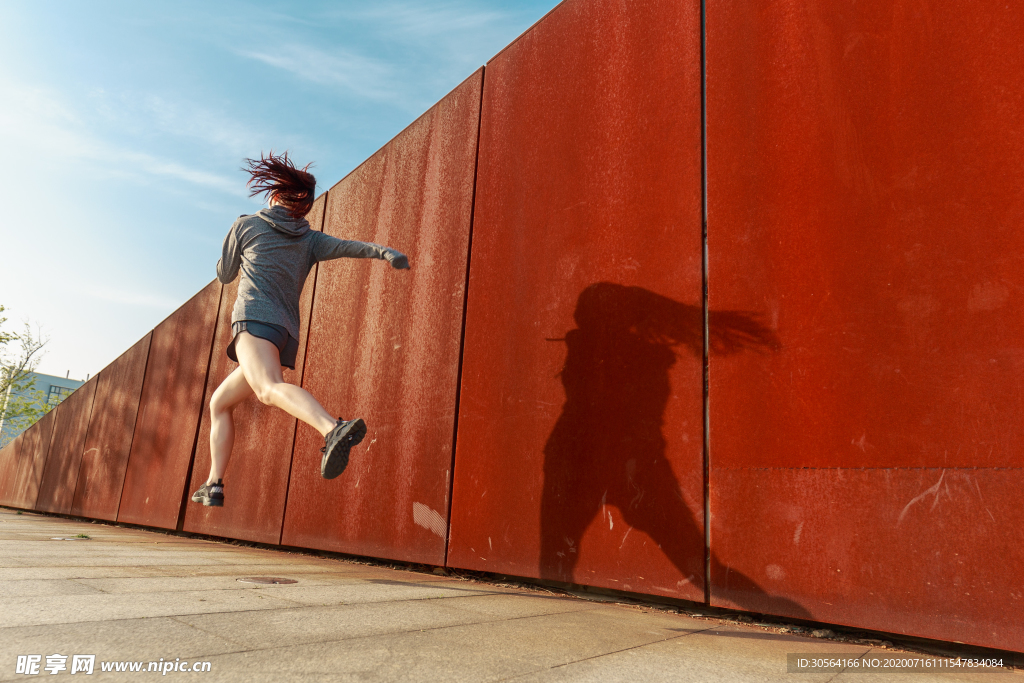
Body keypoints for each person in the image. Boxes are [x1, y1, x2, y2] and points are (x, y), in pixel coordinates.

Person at [191, 152, 410, 507]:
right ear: (302, 206)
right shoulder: (310, 239)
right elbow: (348, 247)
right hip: (282, 333)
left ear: (275, 194)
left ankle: (331, 427)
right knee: (220, 402)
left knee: (268, 389)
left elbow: (225, 274)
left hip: (253, 321)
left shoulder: (246, 225)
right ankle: (213, 484)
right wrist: (384, 253)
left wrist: (227, 251)